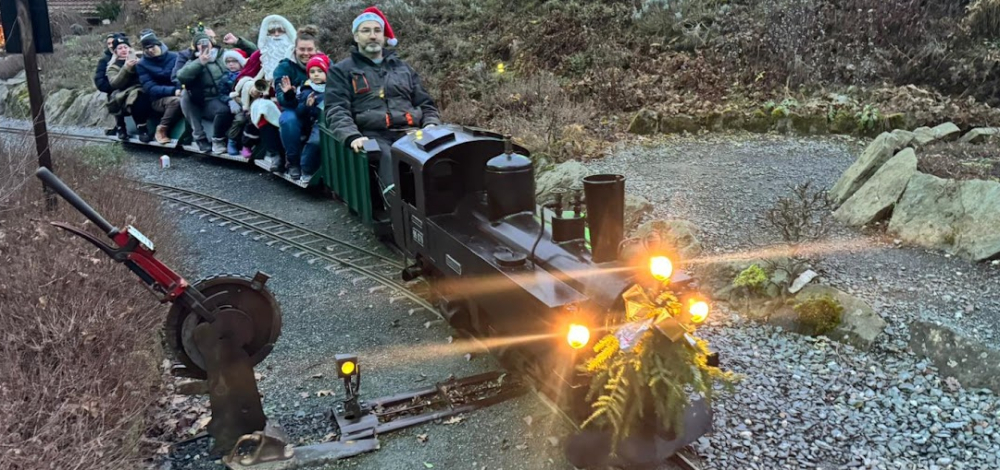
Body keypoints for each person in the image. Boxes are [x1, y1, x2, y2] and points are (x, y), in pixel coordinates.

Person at [325, 7, 440, 189]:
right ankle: (395, 210)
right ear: (356, 37)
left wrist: (431, 124)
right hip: (372, 134)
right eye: (366, 31)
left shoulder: (403, 68)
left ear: (384, 36)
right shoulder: (341, 71)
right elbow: (336, 109)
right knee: (388, 158)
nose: (372, 36)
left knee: (439, 157)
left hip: (410, 131)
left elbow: (425, 103)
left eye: (377, 30)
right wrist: (352, 136)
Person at [272, 25, 321, 174]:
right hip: (295, 109)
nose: (306, 53)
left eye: (309, 49)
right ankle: (293, 161)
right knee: (288, 121)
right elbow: (281, 99)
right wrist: (289, 95)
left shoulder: (324, 64)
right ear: (295, 49)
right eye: (302, 50)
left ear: (316, 49)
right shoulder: (285, 68)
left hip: (318, 108)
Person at [177, 30, 233, 153]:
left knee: (229, 111)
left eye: (206, 42)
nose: (203, 45)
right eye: (199, 43)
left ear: (211, 42)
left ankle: (230, 140)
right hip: (206, 99)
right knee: (185, 94)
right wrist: (200, 62)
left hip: (226, 94)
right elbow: (181, 76)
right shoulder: (193, 60)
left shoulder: (224, 54)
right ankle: (206, 138)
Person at [136, 31, 183, 144]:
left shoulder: (175, 57)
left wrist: (179, 88)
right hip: (157, 99)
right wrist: (172, 91)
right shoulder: (142, 64)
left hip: (179, 90)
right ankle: (161, 129)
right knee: (175, 101)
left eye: (152, 46)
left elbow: (180, 75)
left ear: (159, 44)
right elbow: (150, 87)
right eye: (147, 48)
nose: (150, 50)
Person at [289, 53, 330, 182]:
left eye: (320, 71)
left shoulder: (333, 88)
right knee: (315, 142)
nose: (316, 74)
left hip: (335, 119)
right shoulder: (307, 90)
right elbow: (300, 112)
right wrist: (308, 106)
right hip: (317, 122)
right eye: (312, 72)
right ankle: (306, 169)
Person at [105, 36, 152, 142]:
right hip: (124, 92)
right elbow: (115, 83)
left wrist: (141, 64)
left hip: (143, 88)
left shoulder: (141, 59)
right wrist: (126, 68)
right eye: (120, 48)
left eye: (125, 47)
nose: (123, 50)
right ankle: (139, 128)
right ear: (116, 51)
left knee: (142, 94)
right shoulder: (113, 66)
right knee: (136, 97)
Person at [219, 49, 247, 155]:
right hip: (236, 104)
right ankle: (231, 140)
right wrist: (230, 100)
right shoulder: (225, 78)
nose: (231, 64)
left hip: (248, 102)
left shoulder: (248, 75)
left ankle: (248, 144)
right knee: (240, 119)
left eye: (234, 61)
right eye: (228, 62)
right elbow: (221, 94)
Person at [95, 32, 122, 135]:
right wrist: (114, 86)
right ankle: (120, 126)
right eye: (109, 43)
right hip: (115, 90)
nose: (111, 46)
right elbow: (99, 81)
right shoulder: (105, 61)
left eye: (113, 43)